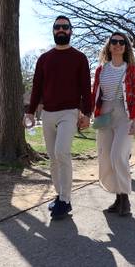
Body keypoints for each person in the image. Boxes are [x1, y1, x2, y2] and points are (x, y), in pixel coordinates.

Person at [23, 16, 92, 220]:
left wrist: (87, 113)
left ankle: (65, 200)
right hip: (48, 114)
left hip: (69, 112)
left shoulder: (79, 58)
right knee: (52, 158)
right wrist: (30, 111)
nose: (61, 30)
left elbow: (85, 89)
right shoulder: (44, 59)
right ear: (53, 31)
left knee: (62, 152)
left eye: (65, 27)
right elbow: (36, 88)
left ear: (71, 31)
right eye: (57, 27)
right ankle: (60, 194)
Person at [91, 32, 135, 216]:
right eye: (114, 42)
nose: (118, 45)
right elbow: (95, 94)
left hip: (124, 115)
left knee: (118, 155)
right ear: (109, 46)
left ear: (126, 47)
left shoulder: (131, 69)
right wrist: (88, 113)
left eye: (122, 42)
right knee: (106, 158)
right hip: (105, 115)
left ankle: (125, 199)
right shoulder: (101, 70)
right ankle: (118, 198)